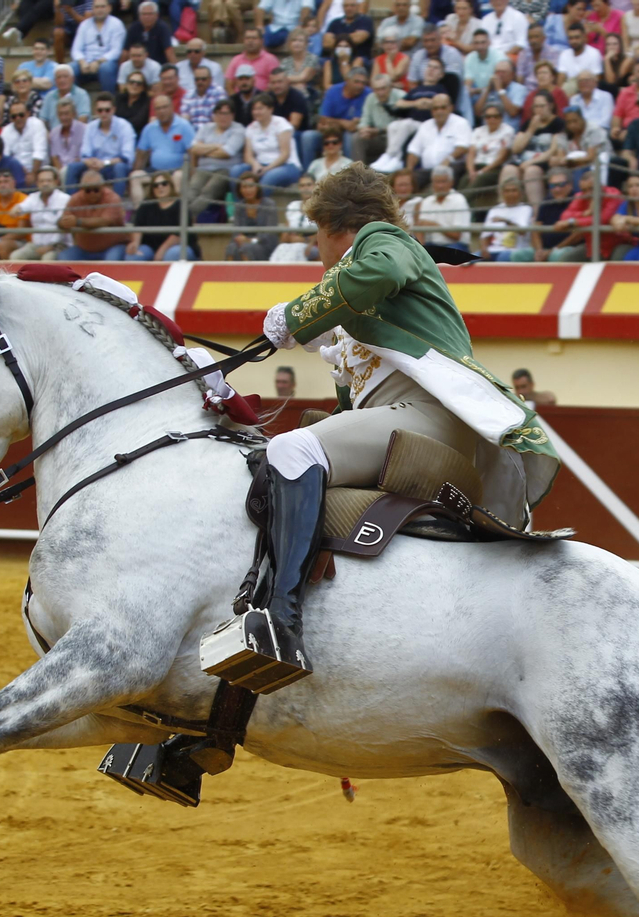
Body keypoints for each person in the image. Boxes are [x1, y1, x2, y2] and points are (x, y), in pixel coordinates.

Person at [209, 161, 559, 688]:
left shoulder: (385, 239)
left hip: (427, 420)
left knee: (293, 453)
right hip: (405, 420)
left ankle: (281, 617)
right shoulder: (362, 310)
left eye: (316, 237)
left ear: (331, 226)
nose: (316, 251)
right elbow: (353, 409)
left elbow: (381, 272)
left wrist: (300, 314)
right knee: (285, 462)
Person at [57, 167, 129, 259]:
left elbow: (104, 221)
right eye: (88, 190)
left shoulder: (112, 198)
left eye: (96, 189)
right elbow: (63, 220)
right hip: (84, 249)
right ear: (82, 189)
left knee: (112, 260)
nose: (92, 193)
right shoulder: (75, 199)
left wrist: (78, 222)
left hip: (112, 247)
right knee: (64, 257)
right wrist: (63, 223)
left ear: (102, 187)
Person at [10, 166, 70, 260]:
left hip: (59, 245)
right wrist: (16, 208)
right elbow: (22, 207)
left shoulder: (65, 199)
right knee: (16, 257)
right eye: (41, 181)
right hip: (36, 245)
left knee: (47, 259)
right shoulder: (33, 197)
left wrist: (50, 247)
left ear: (56, 182)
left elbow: (65, 229)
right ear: (37, 183)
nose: (45, 184)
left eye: (48, 180)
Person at [225, 170, 279, 258]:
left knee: (246, 248)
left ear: (257, 187)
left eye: (251, 186)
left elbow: (269, 235)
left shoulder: (269, 204)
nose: (247, 190)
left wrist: (250, 240)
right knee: (231, 248)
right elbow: (236, 232)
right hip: (243, 244)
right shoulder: (239, 206)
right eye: (244, 187)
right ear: (239, 190)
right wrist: (240, 239)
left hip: (264, 245)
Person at [479, 174, 532, 259]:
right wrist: (484, 249)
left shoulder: (526, 209)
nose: (510, 194)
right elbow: (485, 236)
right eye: (507, 191)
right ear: (502, 193)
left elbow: (522, 231)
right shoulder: (494, 210)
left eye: (514, 190)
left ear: (520, 193)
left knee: (502, 258)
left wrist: (505, 221)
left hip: (515, 250)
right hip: (494, 249)